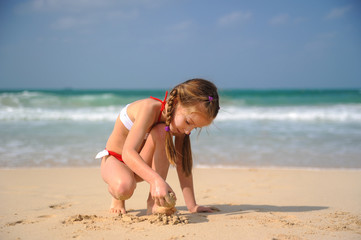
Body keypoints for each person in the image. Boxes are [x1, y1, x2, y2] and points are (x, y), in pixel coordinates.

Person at [97, 78, 220, 215]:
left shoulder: (179, 127)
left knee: (162, 130)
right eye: (188, 122)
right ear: (175, 102)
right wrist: (157, 180)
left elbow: (182, 164)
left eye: (194, 128)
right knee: (124, 188)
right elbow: (128, 153)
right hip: (116, 160)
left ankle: (154, 202)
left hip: (140, 167)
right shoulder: (149, 109)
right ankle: (117, 198)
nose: (187, 131)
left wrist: (192, 206)